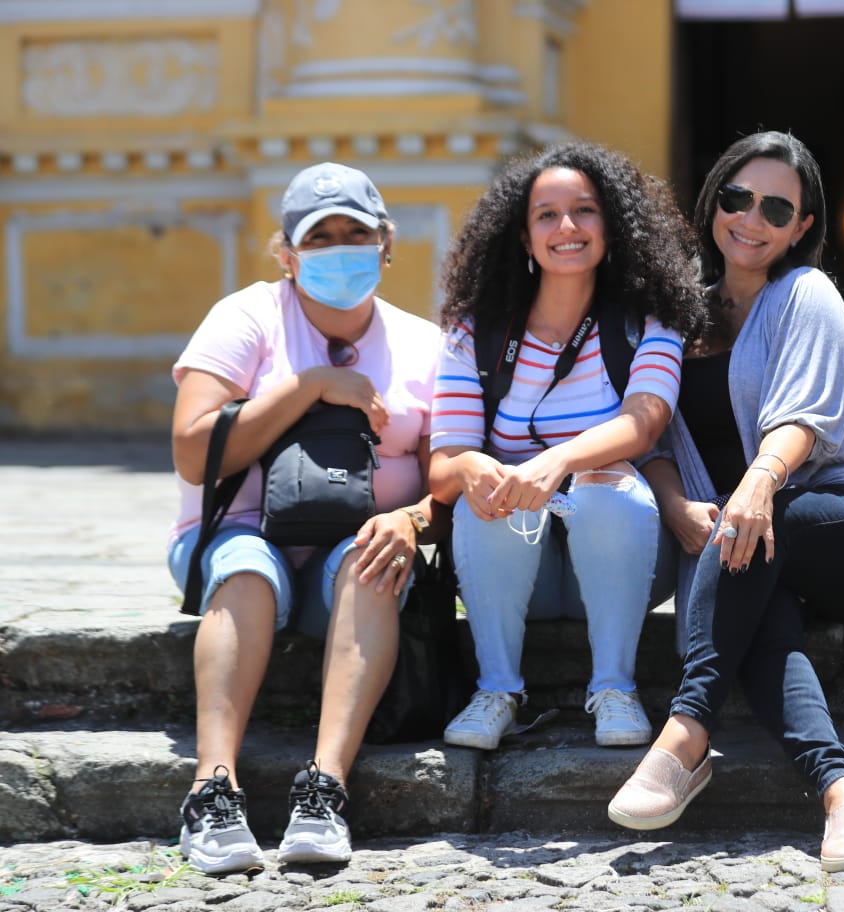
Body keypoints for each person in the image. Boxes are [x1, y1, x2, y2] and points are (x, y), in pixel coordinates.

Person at [606, 131, 844, 873]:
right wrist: (679, 504)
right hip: (742, 543)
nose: (753, 218)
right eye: (739, 197)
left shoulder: (806, 294)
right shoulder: (675, 312)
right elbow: (645, 431)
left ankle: (685, 733)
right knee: (761, 621)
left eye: (778, 207)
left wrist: (756, 485)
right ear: (714, 200)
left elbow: (803, 420)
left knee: (751, 536)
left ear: (803, 227)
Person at [167, 162, 446, 873]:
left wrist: (410, 520)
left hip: (349, 547)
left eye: (357, 231)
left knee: (375, 563)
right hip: (242, 530)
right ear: (286, 253)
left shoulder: (424, 345)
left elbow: (446, 474)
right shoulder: (245, 317)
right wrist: (311, 385)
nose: (340, 247)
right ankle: (212, 788)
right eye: (319, 236)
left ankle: (324, 789)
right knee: (246, 575)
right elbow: (196, 453)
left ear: (387, 243)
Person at [428, 142, 706, 751]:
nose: (567, 228)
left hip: (619, 563)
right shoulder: (474, 331)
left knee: (608, 485)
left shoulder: (646, 318)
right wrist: (475, 465)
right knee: (493, 491)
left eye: (585, 211)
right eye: (546, 216)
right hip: (508, 568)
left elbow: (645, 422)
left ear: (613, 226)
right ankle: (496, 689)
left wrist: (554, 463)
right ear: (524, 238)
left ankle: (615, 687)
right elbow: (443, 465)